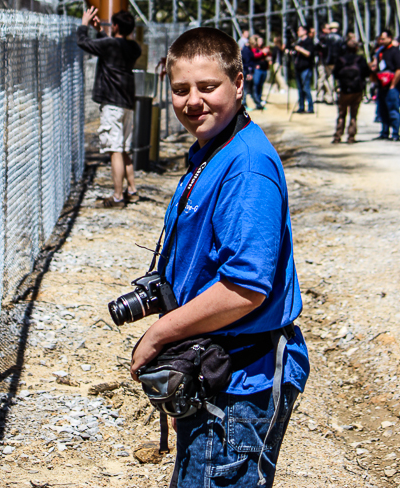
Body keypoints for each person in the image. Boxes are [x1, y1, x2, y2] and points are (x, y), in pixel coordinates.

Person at [130, 27, 309, 488]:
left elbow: (245, 288)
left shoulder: (247, 166)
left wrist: (158, 335)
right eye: (181, 89)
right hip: (210, 367)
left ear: (239, 83)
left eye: (208, 87)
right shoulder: (213, 150)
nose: (193, 101)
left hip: (238, 384)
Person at [77, 6, 141, 207]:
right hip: (128, 103)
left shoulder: (111, 45)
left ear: (115, 26)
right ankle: (132, 190)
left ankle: (117, 196)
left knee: (115, 150)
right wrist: (101, 33)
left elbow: (83, 42)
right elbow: (112, 45)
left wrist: (84, 24)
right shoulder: (134, 48)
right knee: (124, 149)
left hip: (112, 104)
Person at [332, 36, 370, 144]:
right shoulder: (360, 60)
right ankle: (351, 137)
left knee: (341, 114)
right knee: (353, 115)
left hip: (344, 90)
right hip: (357, 90)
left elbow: (336, 74)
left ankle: (337, 136)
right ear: (356, 48)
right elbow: (366, 73)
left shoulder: (341, 60)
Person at [370, 28, 400, 141]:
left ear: (390, 38)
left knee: (393, 109)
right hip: (381, 85)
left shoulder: (395, 52)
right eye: (380, 39)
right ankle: (384, 132)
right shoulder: (380, 52)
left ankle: (395, 133)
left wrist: (393, 84)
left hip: (391, 85)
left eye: (384, 39)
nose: (381, 41)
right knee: (382, 110)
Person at [292, 25, 314, 113]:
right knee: (300, 89)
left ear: (305, 31)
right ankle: (301, 107)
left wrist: (299, 49)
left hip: (306, 68)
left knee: (306, 88)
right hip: (298, 67)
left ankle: (310, 107)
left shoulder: (309, 42)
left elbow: (309, 53)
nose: (298, 32)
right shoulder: (299, 42)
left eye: (299, 30)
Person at [315, 23, 334, 104]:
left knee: (326, 78)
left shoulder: (329, 38)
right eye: (328, 28)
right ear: (323, 29)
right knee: (323, 78)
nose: (330, 30)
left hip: (327, 60)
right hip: (323, 60)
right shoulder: (323, 38)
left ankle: (327, 96)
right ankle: (323, 95)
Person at [251, 34, 270, 110]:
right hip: (257, 69)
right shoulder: (255, 49)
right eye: (259, 41)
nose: (261, 42)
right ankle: (256, 101)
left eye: (262, 41)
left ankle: (259, 99)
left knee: (261, 85)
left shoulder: (264, 48)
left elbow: (268, 56)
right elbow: (254, 56)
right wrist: (262, 52)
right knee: (256, 85)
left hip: (264, 69)